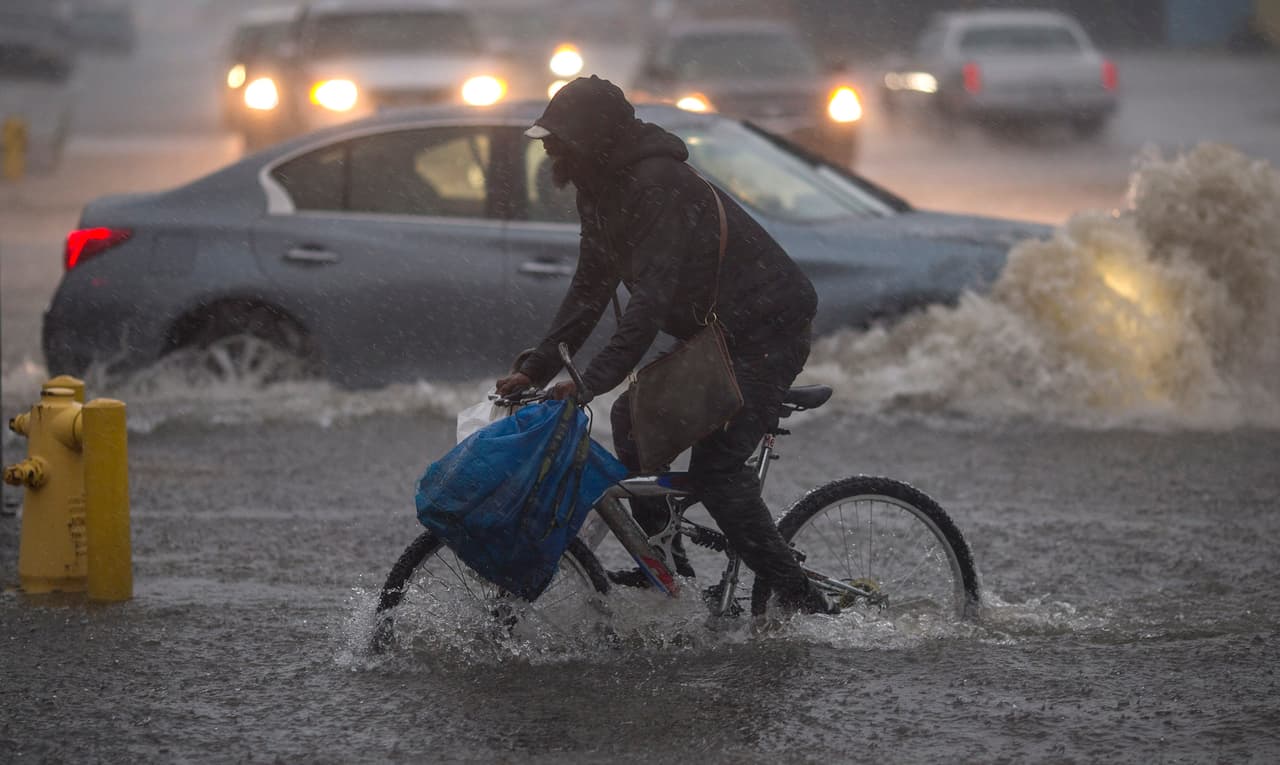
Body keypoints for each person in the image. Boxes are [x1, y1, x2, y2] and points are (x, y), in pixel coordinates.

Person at [495, 75, 833, 615]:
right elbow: (589, 289)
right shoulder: (597, 186)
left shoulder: (656, 184)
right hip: (715, 333)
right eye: (547, 140)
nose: (551, 151)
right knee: (632, 424)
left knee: (718, 470)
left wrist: (585, 384)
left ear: (597, 140)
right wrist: (536, 370)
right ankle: (669, 568)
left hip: (769, 329)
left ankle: (802, 599)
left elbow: (648, 303)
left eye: (560, 141)